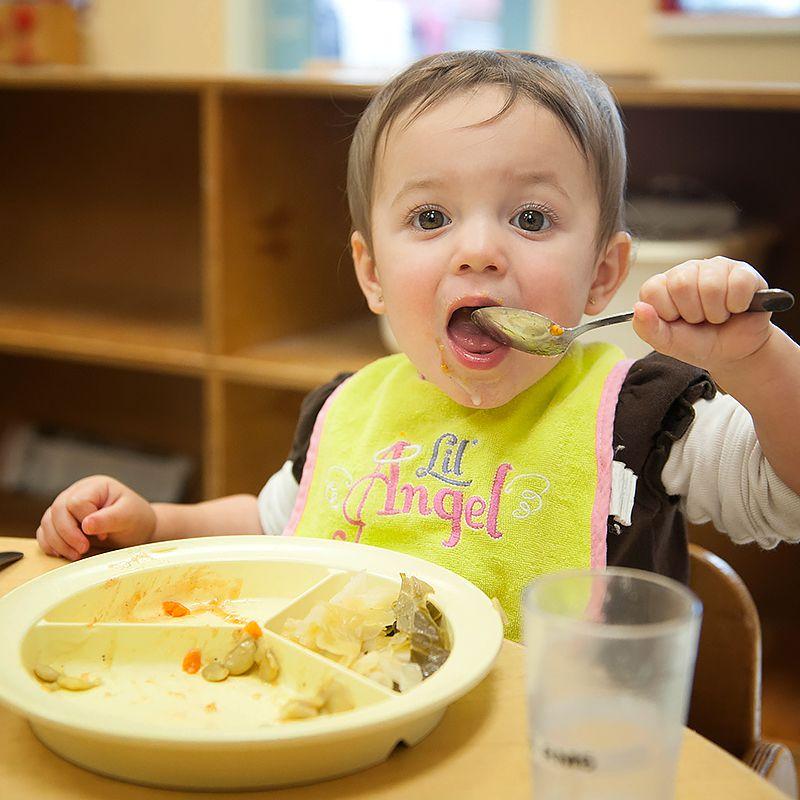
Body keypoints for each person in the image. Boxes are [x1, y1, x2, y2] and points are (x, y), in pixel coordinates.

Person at [36, 51, 800, 639]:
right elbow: (275, 524)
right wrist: (156, 524)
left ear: (603, 277)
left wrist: (755, 361)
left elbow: (788, 495)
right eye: (431, 218)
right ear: (371, 273)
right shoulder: (353, 411)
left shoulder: (639, 416)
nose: (479, 251)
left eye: (530, 220)